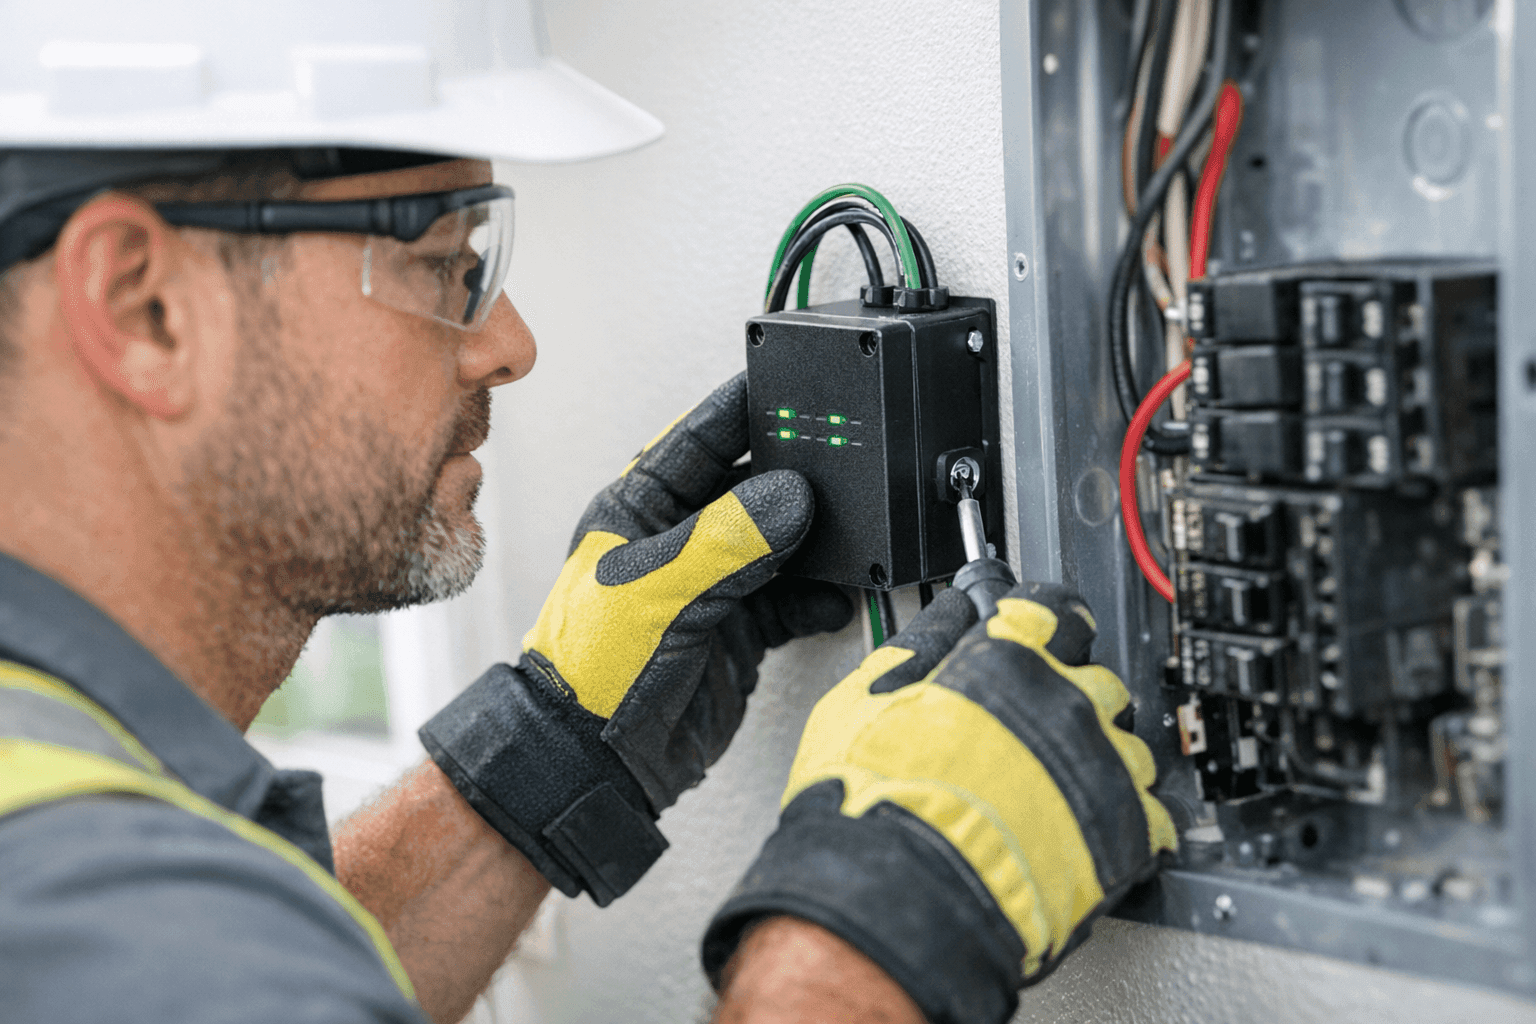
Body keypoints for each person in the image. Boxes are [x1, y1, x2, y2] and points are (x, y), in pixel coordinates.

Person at [0, 4, 1176, 1023]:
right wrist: (855, 940)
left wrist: (543, 751)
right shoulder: (87, 905)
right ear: (146, 309)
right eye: (445, 262)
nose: (508, 346)